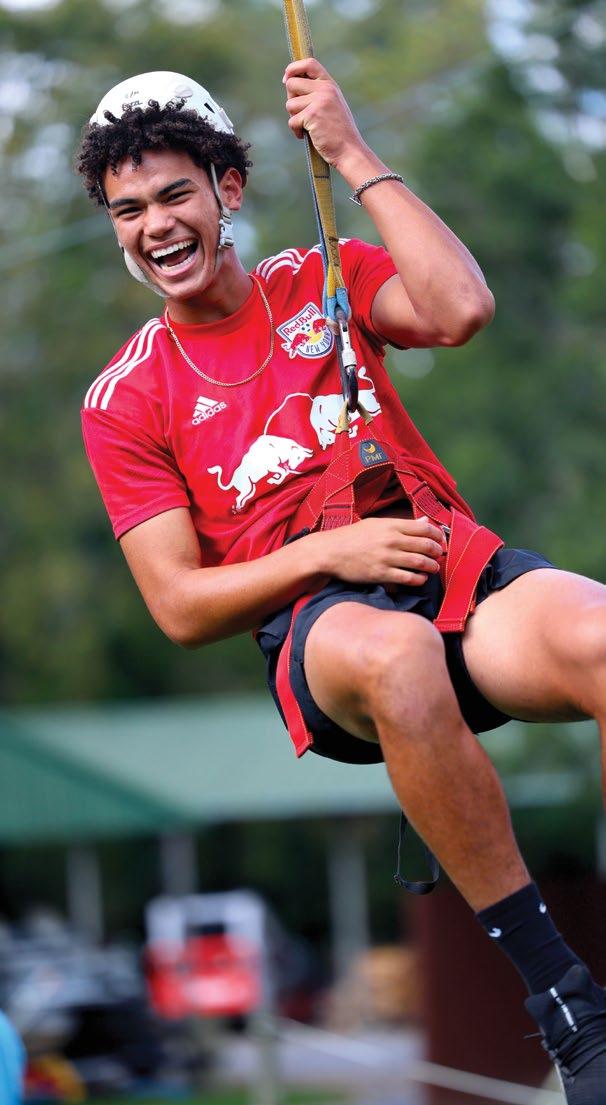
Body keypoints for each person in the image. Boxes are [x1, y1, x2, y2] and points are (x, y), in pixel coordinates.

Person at [76, 61, 606, 1101]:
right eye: (129, 211)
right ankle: (567, 1006)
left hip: (448, 566)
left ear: (228, 189)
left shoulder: (319, 275)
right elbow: (179, 605)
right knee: (398, 653)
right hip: (324, 624)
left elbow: (460, 309)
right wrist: (329, 555)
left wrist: (351, 152)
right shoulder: (125, 397)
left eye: (176, 195)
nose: (156, 226)